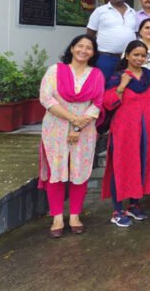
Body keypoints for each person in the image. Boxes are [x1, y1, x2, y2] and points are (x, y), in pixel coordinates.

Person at [38, 35, 105, 238]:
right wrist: (72, 119)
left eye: (88, 48)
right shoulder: (55, 70)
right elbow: (46, 98)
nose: (83, 50)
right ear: (72, 48)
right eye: (80, 46)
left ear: (93, 53)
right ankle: (57, 217)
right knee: (56, 170)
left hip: (84, 130)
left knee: (80, 171)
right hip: (55, 128)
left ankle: (75, 216)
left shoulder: (96, 74)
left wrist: (77, 127)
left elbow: (97, 103)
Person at [102, 41, 150, 227]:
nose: (139, 58)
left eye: (143, 55)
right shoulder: (118, 77)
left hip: (147, 129)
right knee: (121, 166)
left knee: (141, 164)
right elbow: (108, 102)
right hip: (124, 130)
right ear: (127, 55)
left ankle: (134, 205)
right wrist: (121, 86)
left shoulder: (149, 77)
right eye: (136, 54)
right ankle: (117, 210)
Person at [86, 0, 137, 81]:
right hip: (105, 58)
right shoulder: (100, 11)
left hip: (128, 59)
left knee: (126, 86)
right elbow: (90, 35)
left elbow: (135, 34)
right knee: (103, 85)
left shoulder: (132, 12)